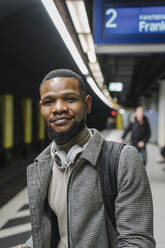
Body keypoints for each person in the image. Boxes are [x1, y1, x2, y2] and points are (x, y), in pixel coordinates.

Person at [16, 69, 155, 248]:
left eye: (69, 99)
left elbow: (138, 241)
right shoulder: (41, 166)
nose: (58, 108)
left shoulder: (122, 160)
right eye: (48, 102)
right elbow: (57, 229)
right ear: (41, 108)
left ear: (87, 104)